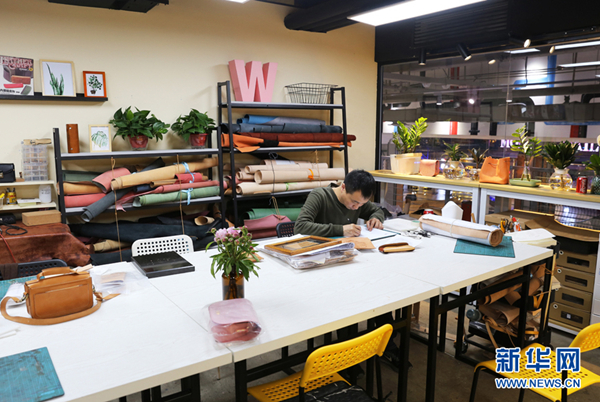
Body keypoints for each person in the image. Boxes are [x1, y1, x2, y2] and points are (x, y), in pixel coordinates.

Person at [294, 169, 384, 237]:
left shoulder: (358, 201)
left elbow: (377, 211)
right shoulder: (320, 196)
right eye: (354, 202)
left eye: (362, 204)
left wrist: (375, 219)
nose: (357, 207)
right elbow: (300, 227)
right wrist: (341, 230)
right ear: (343, 187)